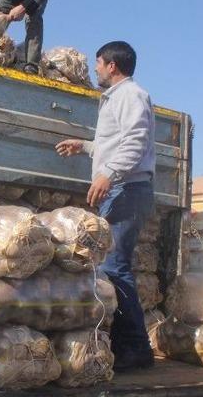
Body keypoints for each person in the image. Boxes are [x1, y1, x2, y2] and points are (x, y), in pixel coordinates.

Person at [55, 41, 157, 371]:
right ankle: (128, 345)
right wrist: (86, 147)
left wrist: (108, 174)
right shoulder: (118, 97)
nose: (95, 68)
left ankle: (136, 348)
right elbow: (116, 141)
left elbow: (136, 141)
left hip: (127, 189)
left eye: (98, 62)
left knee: (114, 267)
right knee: (111, 266)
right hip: (123, 188)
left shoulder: (131, 95)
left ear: (112, 66)